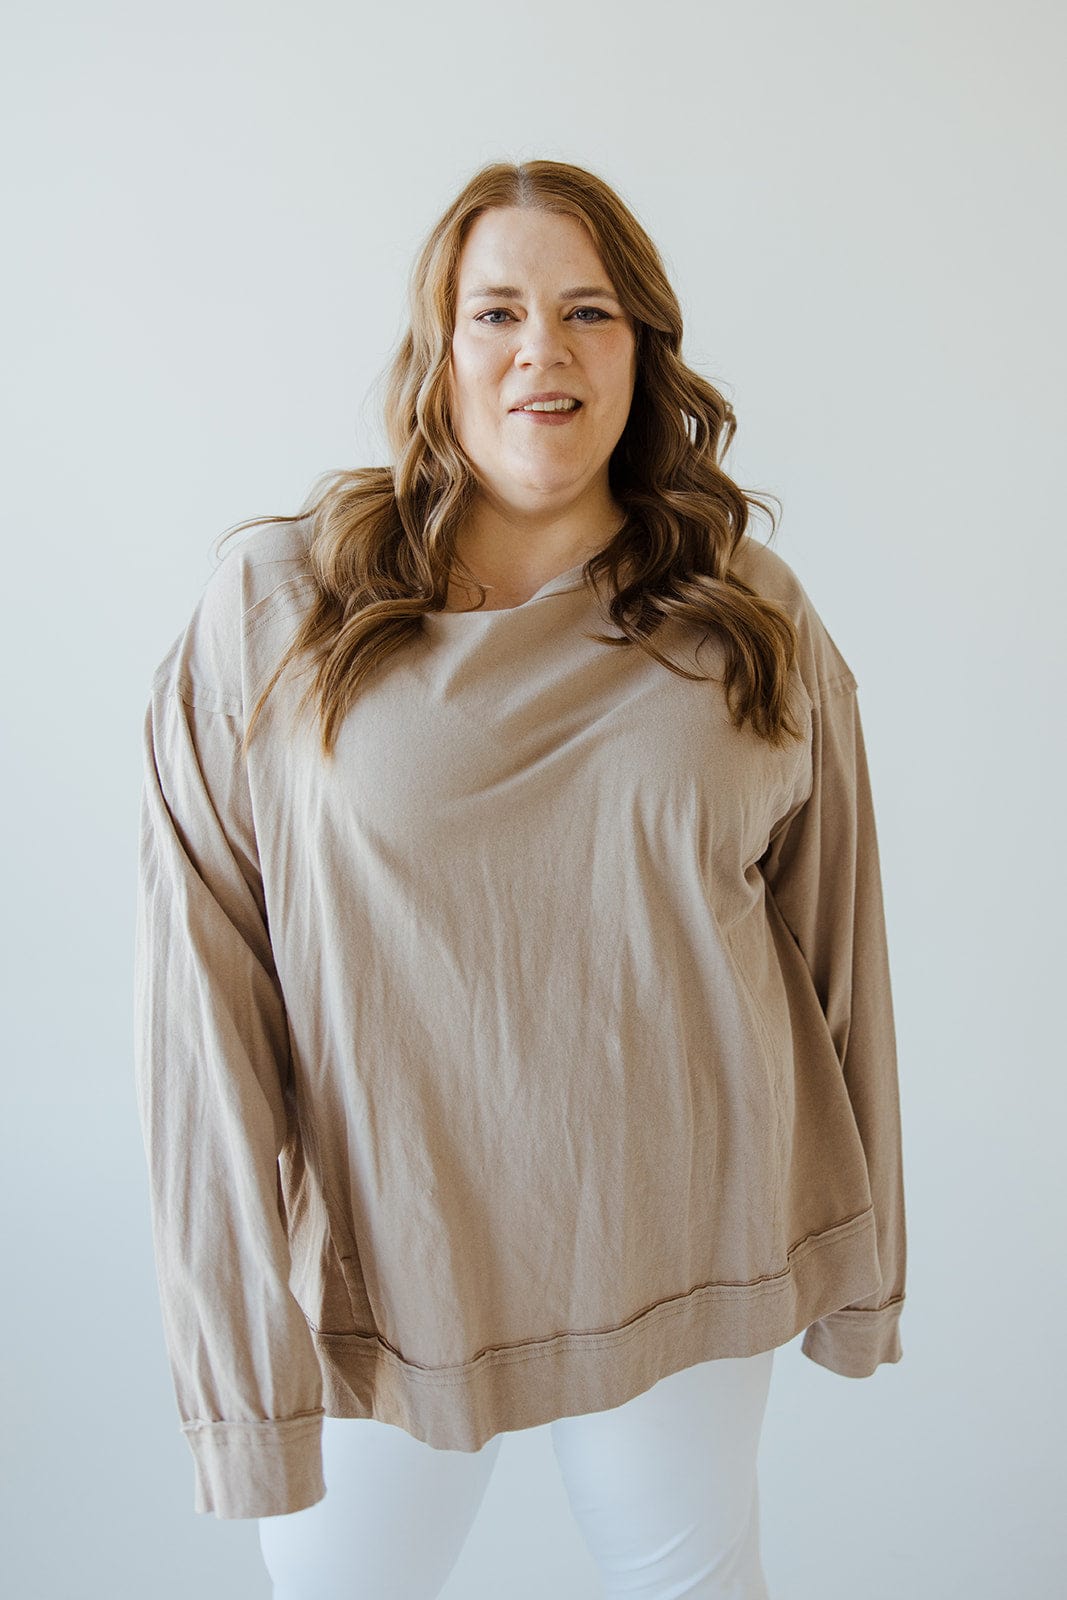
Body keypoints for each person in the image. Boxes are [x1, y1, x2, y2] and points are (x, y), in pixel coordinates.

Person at [133, 158, 907, 1600]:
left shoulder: (751, 618)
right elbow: (201, 1003)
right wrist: (240, 1370)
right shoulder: (278, 608)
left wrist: (867, 1271)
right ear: (437, 358)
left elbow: (836, 950)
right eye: (494, 312)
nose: (540, 349)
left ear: (642, 353)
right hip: (383, 1267)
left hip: (689, 1238)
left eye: (587, 310)